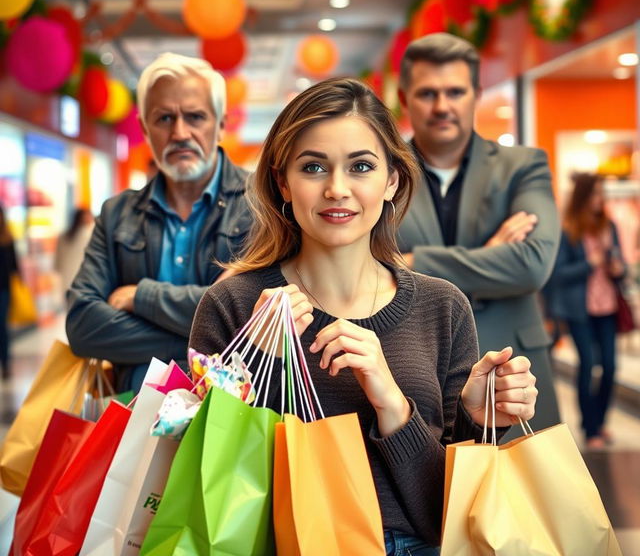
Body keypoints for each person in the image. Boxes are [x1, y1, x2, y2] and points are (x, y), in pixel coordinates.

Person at [189, 78, 538, 553]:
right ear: (282, 182)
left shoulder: (442, 306)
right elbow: (207, 481)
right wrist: (253, 361)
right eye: (313, 167)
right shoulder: (233, 304)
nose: (337, 189)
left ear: (391, 180)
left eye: (361, 167)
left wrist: (449, 414)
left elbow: (450, 516)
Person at [396, 32, 561, 432]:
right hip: (413, 376)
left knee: (527, 494)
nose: (442, 106)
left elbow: (532, 265)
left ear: (476, 94)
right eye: (427, 94)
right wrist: (489, 256)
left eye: (455, 91)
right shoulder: (384, 173)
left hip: (514, 376)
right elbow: (368, 268)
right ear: (404, 100)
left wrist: (415, 262)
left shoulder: (522, 166)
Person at [66, 53, 253, 392]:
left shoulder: (261, 206)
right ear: (144, 129)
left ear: (221, 124)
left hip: (232, 422)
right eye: (164, 118)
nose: (180, 133)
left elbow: (254, 317)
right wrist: (204, 343)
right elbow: (82, 326)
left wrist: (143, 298)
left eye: (195, 117)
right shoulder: (116, 214)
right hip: (132, 419)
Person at [545, 173, 625, 449]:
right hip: (579, 309)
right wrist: (589, 263)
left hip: (608, 307)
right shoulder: (568, 230)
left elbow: (620, 263)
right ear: (583, 196)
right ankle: (590, 429)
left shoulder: (609, 226)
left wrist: (618, 269)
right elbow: (557, 274)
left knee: (612, 367)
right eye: (595, 194)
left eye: (602, 194)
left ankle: (600, 422)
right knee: (588, 365)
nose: (599, 200)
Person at [54, 207, 95, 300]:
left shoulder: (64, 235)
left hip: (66, 279)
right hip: (82, 280)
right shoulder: (88, 234)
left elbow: (57, 262)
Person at [0, 204, 18, 379]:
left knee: (2, 328)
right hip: (4, 288)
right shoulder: (7, 238)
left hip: (4, 289)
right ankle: (5, 363)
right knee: (2, 329)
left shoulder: (7, 238)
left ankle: (5, 363)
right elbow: (14, 267)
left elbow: (14, 266)